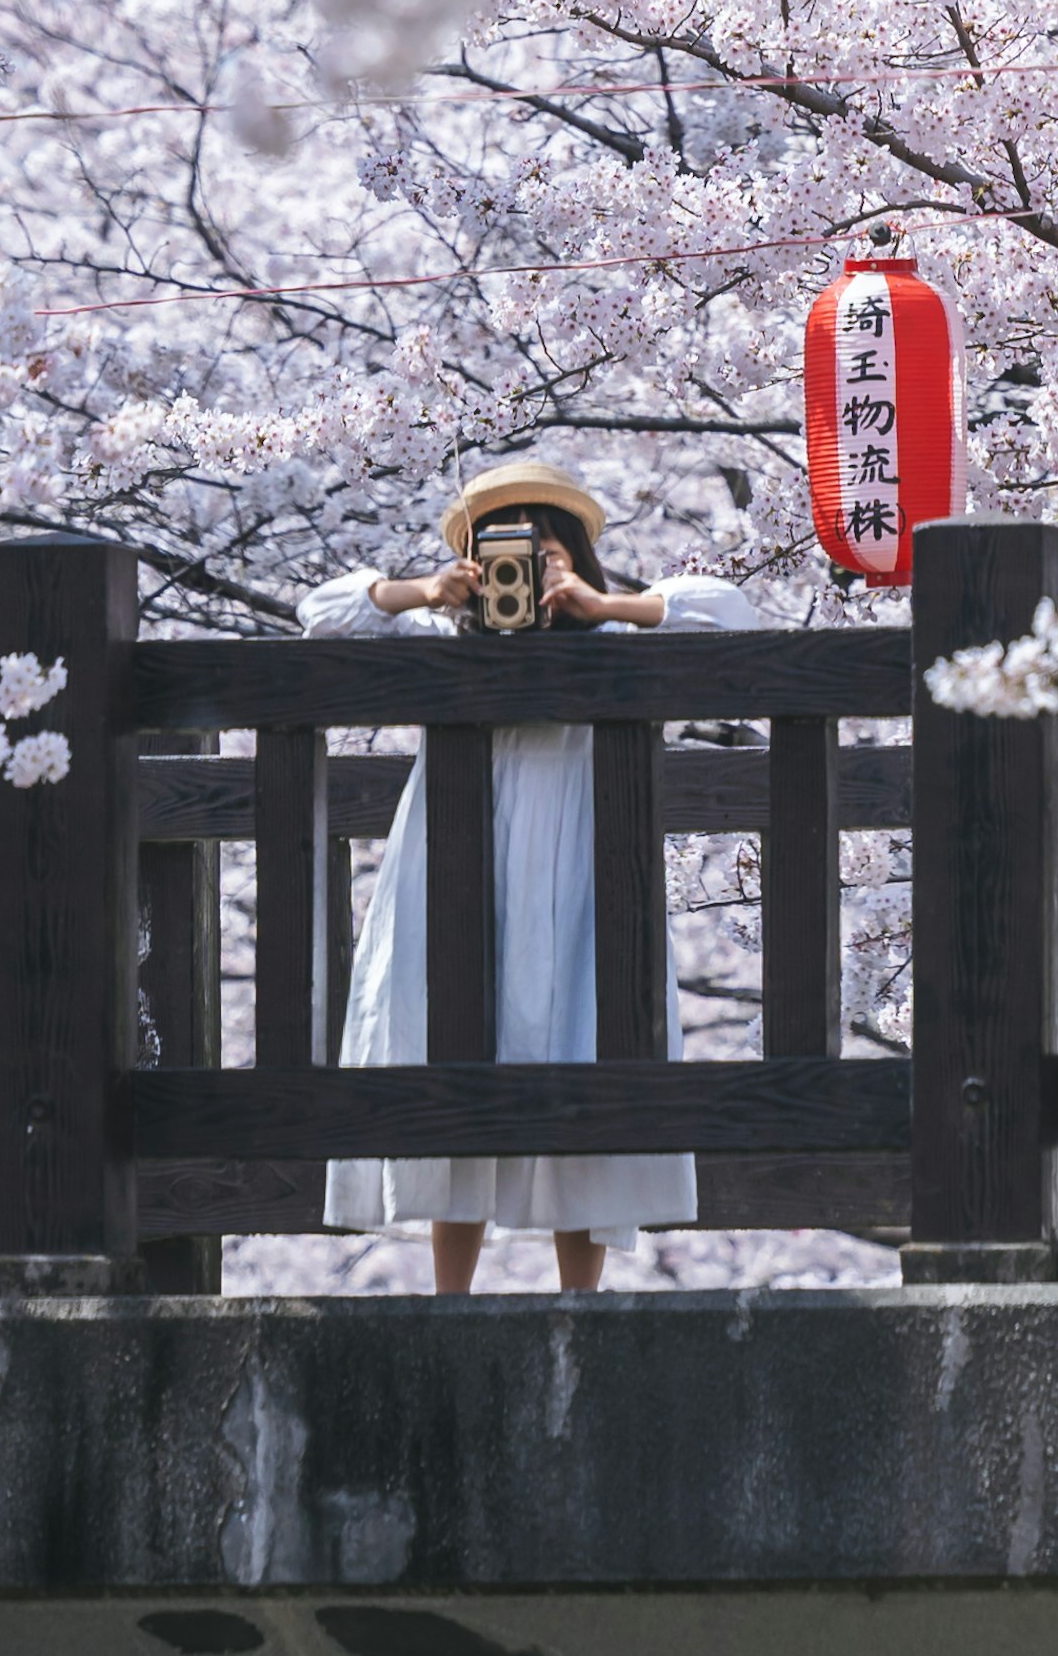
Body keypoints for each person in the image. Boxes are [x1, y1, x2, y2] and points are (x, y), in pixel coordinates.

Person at [310, 461, 756, 1292]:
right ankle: (452, 1293)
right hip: (455, 859)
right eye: (503, 552)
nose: (523, 568)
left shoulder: (614, 640)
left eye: (543, 550)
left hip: (587, 862)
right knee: (453, 1030)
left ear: (580, 555)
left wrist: (602, 605)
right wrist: (426, 592)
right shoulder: (449, 643)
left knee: (586, 1033)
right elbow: (321, 616)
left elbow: (730, 612)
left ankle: (578, 1299)